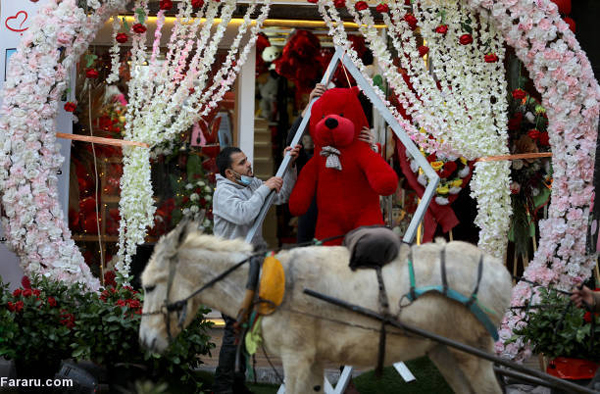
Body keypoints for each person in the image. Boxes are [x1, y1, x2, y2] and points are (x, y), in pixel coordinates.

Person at [211, 144, 300, 394]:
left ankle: (236, 385)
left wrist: (289, 166)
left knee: (243, 328)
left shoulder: (249, 183)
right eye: (241, 163)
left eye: (246, 159)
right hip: (232, 272)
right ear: (229, 172)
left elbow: (281, 196)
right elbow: (244, 214)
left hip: (250, 266)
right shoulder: (224, 193)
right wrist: (263, 188)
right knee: (234, 328)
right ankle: (222, 388)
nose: (248, 164)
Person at [286, 83, 380, 243]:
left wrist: (370, 149)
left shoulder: (362, 150)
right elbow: (293, 143)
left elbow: (380, 179)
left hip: (358, 227)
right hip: (318, 224)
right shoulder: (315, 158)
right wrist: (309, 108)